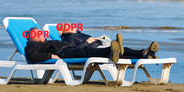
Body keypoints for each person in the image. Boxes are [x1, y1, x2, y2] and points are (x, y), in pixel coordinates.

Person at [25, 27, 158, 63]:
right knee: (87, 52)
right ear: (32, 36)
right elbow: (31, 57)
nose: (42, 35)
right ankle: (112, 50)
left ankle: (143, 54)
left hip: (67, 48)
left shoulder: (45, 42)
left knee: (118, 51)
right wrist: (51, 55)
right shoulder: (31, 46)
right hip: (64, 53)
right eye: (39, 34)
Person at [59, 25, 158, 60]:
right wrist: (87, 42)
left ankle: (145, 53)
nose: (72, 26)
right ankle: (145, 54)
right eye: (68, 26)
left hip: (99, 44)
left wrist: (97, 39)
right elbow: (73, 51)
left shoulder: (79, 34)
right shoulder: (68, 38)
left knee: (121, 51)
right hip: (94, 50)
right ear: (64, 31)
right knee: (116, 52)